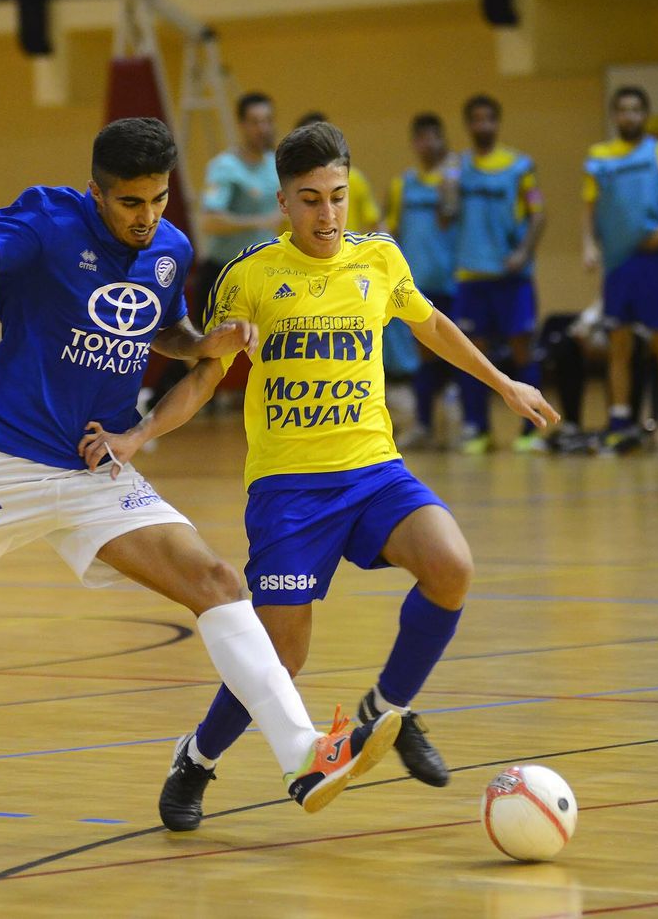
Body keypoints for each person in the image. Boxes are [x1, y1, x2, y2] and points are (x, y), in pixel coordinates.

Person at [0, 118, 399, 817]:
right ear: (97, 193)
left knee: (217, 581)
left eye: (159, 200)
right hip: (0, 462)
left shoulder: (170, 247)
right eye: (131, 203)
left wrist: (204, 344)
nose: (147, 217)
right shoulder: (46, 219)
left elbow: (165, 328)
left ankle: (304, 756)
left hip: (94, 465)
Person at [77, 122, 556, 831]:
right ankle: (197, 759)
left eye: (336, 197)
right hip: (290, 490)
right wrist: (140, 435)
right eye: (309, 200)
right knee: (280, 656)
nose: (327, 215)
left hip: (372, 471)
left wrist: (503, 382)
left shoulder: (380, 260)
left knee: (450, 566)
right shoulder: (249, 276)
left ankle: (386, 713)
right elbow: (206, 377)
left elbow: (430, 326)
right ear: (281, 202)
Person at [582, 87, 658, 453]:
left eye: (636, 110)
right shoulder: (597, 157)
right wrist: (588, 244)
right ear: (614, 116)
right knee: (619, 345)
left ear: (645, 115)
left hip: (655, 263)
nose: (629, 117)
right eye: (622, 110)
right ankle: (619, 421)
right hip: (617, 265)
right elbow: (589, 206)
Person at [454, 94, 546, 453]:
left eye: (488, 119)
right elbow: (445, 214)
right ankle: (478, 430)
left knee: (523, 351)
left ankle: (531, 430)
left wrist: (523, 251)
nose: (483, 126)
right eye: (475, 119)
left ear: (497, 122)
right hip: (471, 278)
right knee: (474, 356)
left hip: (511, 278)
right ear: (468, 125)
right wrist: (448, 188)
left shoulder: (521, 166)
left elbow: (538, 213)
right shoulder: (457, 167)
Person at [389, 113, 461, 448]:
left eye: (434, 136)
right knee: (424, 353)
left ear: (442, 138)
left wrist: (450, 187)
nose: (427, 144)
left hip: (452, 279)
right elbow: (395, 228)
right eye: (421, 137)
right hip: (416, 282)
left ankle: (461, 424)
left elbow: (450, 217)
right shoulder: (404, 183)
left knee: (458, 350)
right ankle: (425, 424)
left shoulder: (455, 177)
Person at [197, 93, 282, 318]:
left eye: (267, 121)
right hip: (224, 271)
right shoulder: (224, 167)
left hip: (264, 272)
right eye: (255, 122)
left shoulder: (276, 164)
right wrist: (260, 222)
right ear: (242, 125)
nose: (262, 128)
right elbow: (209, 222)